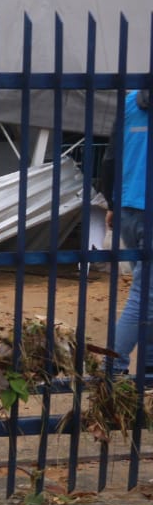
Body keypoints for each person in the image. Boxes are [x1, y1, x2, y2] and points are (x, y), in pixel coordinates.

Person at [99, 88, 151, 376]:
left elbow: (109, 158)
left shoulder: (130, 101)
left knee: (147, 293)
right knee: (144, 298)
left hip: (128, 208)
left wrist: (111, 203)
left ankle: (149, 366)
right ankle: (112, 368)